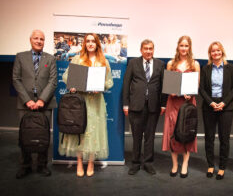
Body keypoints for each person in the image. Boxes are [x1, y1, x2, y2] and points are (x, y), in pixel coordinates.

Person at [59, 33, 114, 177]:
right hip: (80, 102)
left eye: (93, 41)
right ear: (84, 44)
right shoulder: (78, 59)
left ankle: (90, 163)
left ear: (97, 44)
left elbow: (110, 82)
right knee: (80, 132)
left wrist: (101, 86)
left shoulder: (103, 61)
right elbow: (66, 76)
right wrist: (72, 85)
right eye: (87, 41)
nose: (90, 43)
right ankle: (79, 162)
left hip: (96, 102)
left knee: (94, 132)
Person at [12, 29, 57, 179]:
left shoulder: (50, 59)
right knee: (25, 134)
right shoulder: (20, 57)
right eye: (36, 38)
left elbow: (53, 81)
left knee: (43, 135)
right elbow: (16, 79)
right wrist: (28, 100)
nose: (39, 41)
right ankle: (25, 165)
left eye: (42, 39)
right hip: (25, 104)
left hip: (45, 103)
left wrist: (42, 100)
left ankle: (42, 165)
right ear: (30, 40)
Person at [123, 39, 166, 175]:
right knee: (136, 136)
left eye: (151, 48)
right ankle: (135, 163)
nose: (148, 51)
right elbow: (126, 83)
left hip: (153, 106)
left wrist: (163, 104)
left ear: (153, 50)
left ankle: (148, 163)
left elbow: (164, 86)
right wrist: (125, 104)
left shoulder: (160, 64)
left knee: (150, 136)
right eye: (146, 48)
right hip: (136, 105)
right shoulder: (133, 63)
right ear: (141, 50)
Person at [162, 36, 200, 178]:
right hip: (173, 103)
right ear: (178, 46)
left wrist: (190, 93)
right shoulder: (171, 63)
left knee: (186, 132)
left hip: (188, 104)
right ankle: (174, 164)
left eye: (186, 46)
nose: (184, 48)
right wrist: (171, 90)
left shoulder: (195, 64)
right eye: (181, 45)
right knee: (173, 132)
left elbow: (196, 85)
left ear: (189, 47)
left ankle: (185, 164)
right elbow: (169, 85)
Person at [200, 41, 233, 180]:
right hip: (209, 107)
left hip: (226, 107)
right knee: (209, 138)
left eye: (218, 50)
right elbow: (202, 89)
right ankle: (210, 165)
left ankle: (222, 167)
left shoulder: (231, 68)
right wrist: (211, 102)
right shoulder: (206, 68)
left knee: (224, 138)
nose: (216, 53)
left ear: (222, 52)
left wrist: (223, 102)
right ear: (210, 53)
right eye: (213, 51)